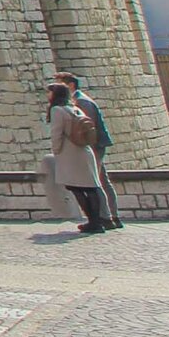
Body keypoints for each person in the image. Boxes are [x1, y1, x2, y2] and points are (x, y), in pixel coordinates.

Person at [56, 71, 125, 229]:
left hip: (93, 146)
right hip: (94, 146)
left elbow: (88, 128)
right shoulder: (79, 100)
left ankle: (106, 217)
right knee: (102, 181)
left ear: (70, 85)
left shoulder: (81, 102)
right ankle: (112, 216)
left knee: (95, 182)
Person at [49, 82, 110, 233]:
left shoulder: (57, 110)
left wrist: (56, 151)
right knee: (90, 187)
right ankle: (96, 222)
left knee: (76, 187)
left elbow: (56, 133)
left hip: (70, 153)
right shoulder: (75, 108)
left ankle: (92, 221)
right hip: (85, 151)